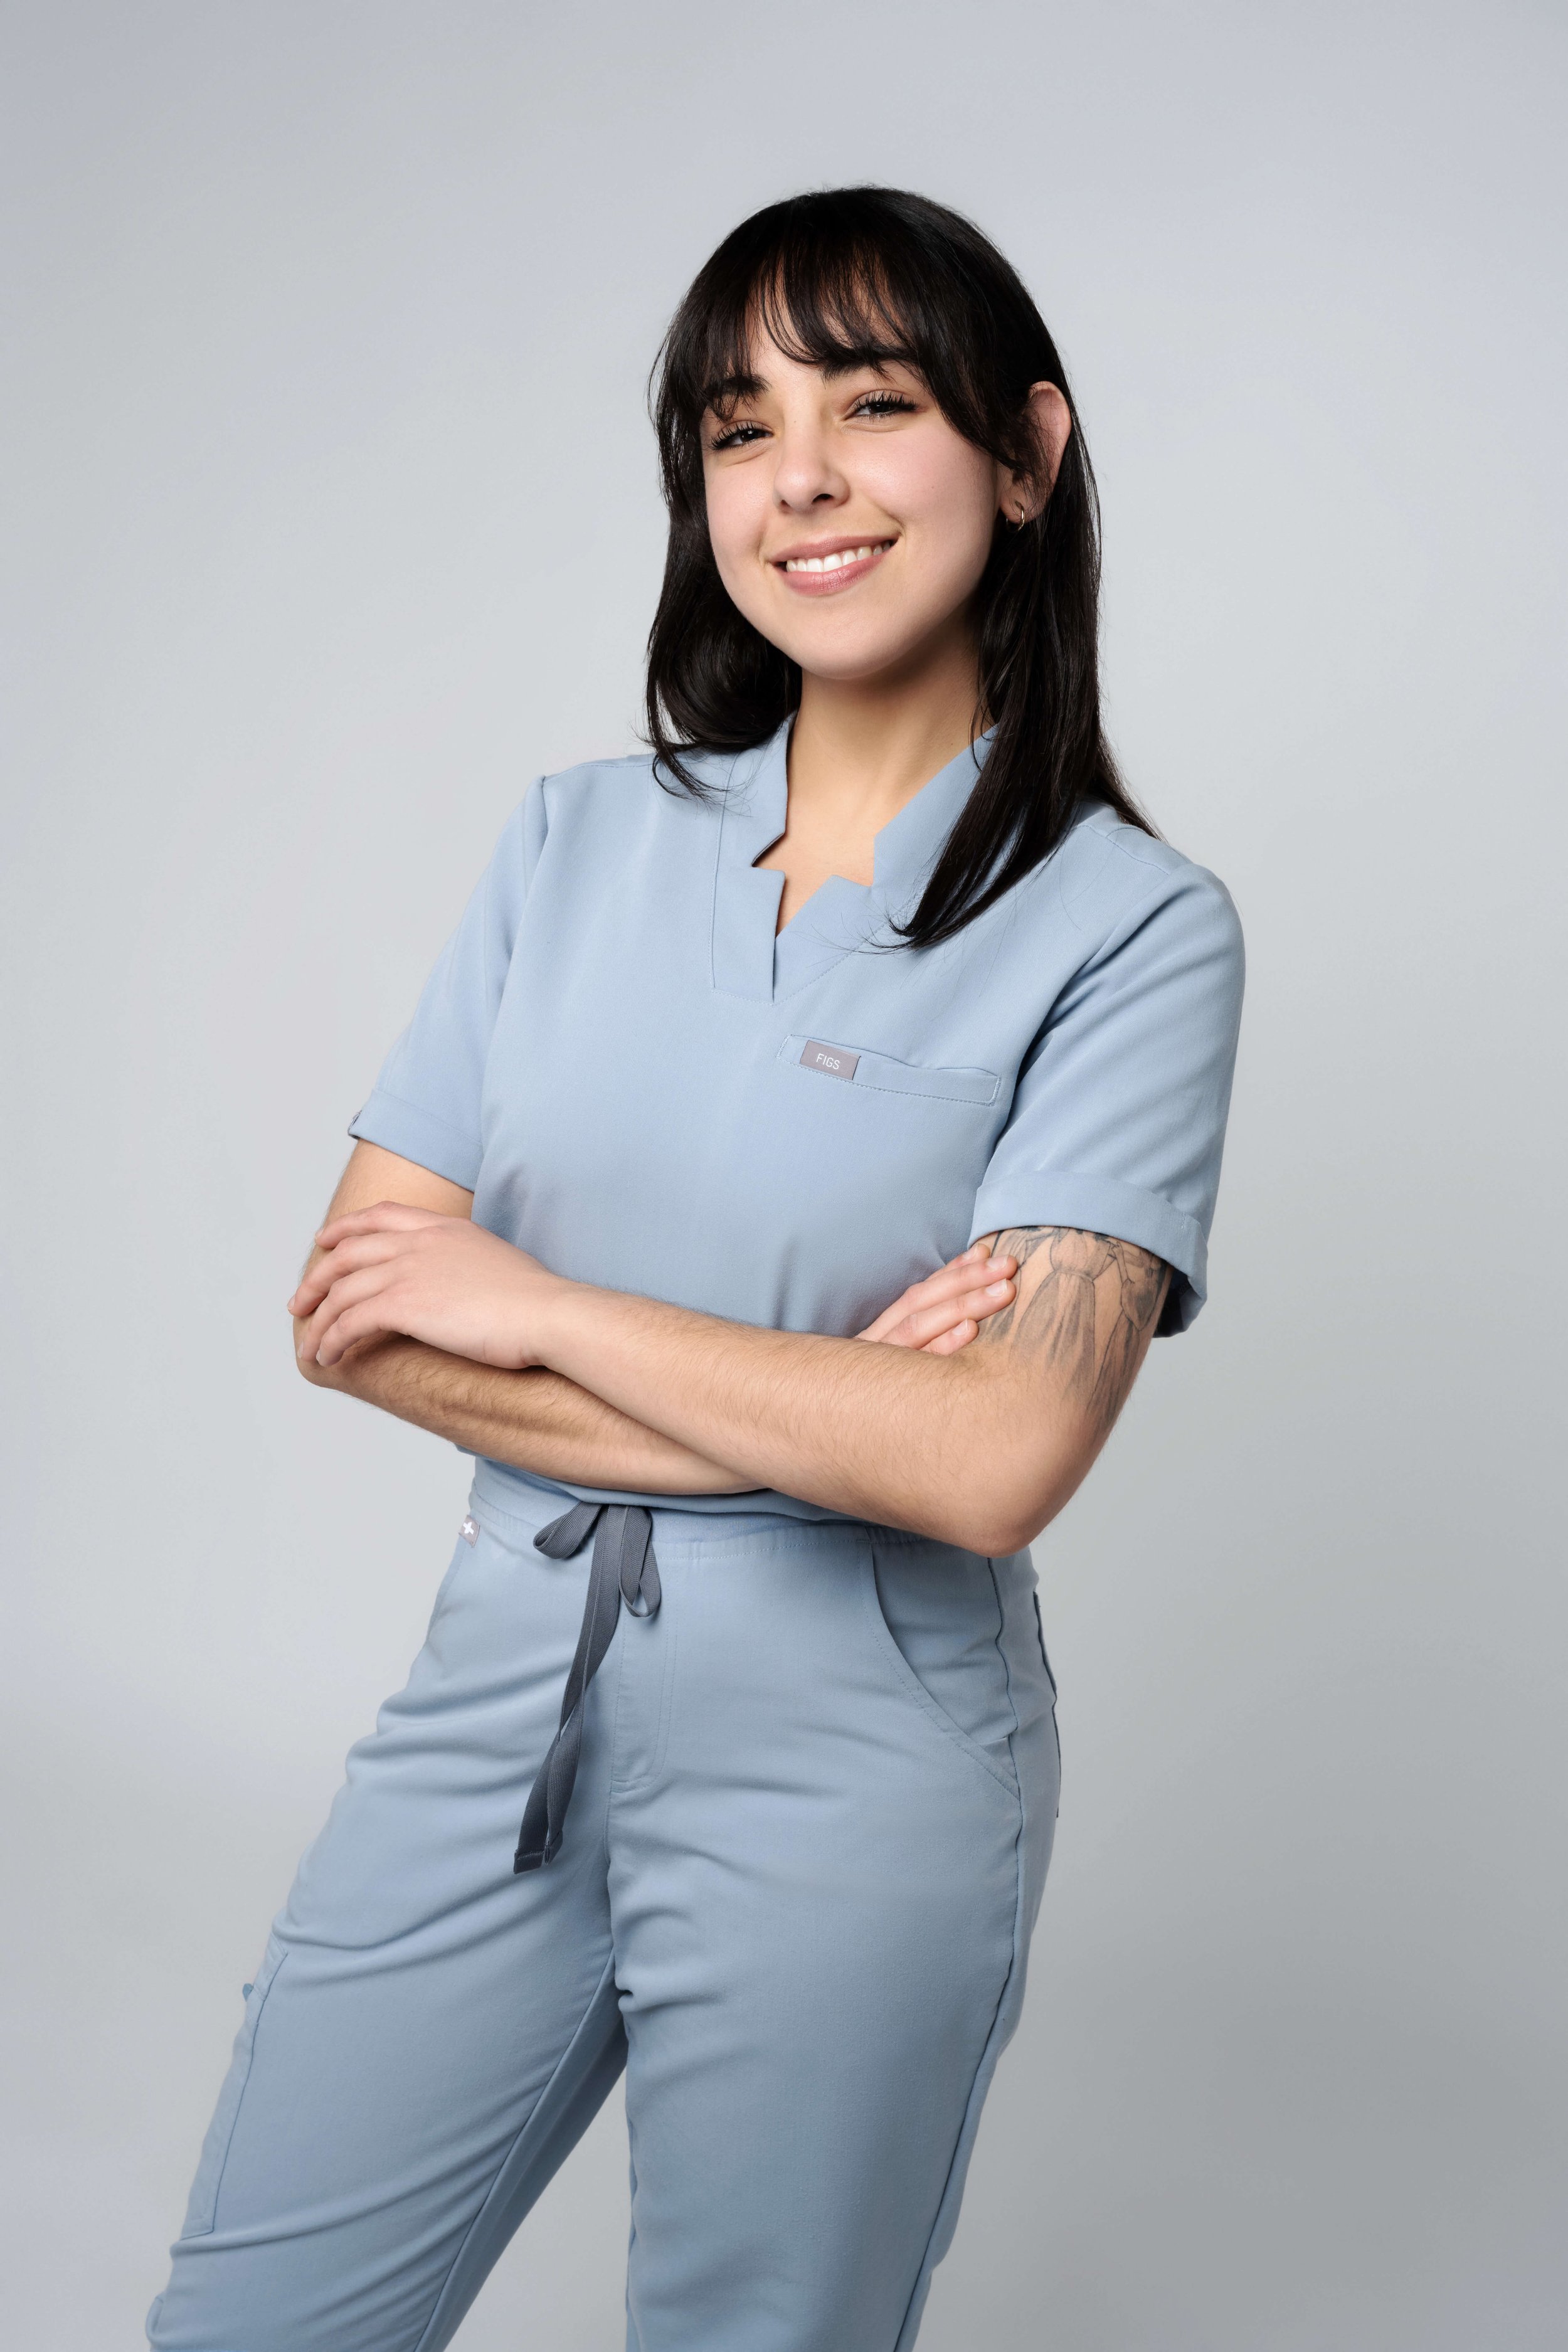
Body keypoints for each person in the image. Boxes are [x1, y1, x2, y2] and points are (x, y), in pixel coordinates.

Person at [148, 185, 1244, 2352]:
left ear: (1023, 458)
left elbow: (1001, 1461)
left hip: (860, 1769)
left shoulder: (1130, 931)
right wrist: (840, 1409)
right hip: (500, 1703)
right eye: (740, 427)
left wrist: (537, 1300)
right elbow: (355, 1308)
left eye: (875, 403)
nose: (802, 477)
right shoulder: (573, 841)